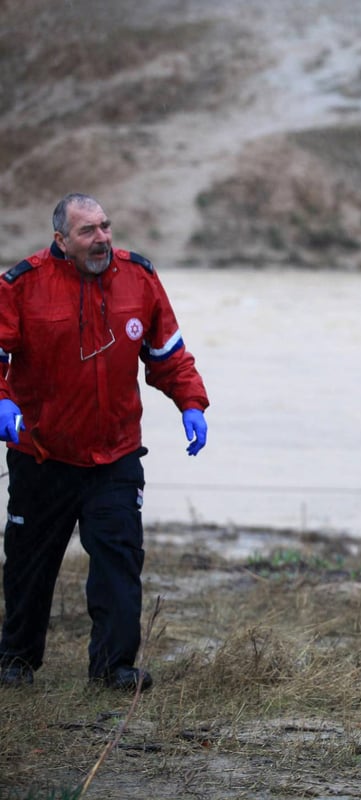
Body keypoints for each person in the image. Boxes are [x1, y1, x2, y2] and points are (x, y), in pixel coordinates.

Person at [0, 193, 210, 692]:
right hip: (42, 455)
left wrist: (192, 404)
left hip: (115, 454)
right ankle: (15, 660)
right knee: (30, 562)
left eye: (105, 227)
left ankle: (113, 668)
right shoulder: (20, 285)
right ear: (61, 241)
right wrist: (2, 401)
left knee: (119, 557)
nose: (102, 239)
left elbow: (167, 354)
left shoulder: (138, 278)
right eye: (88, 232)